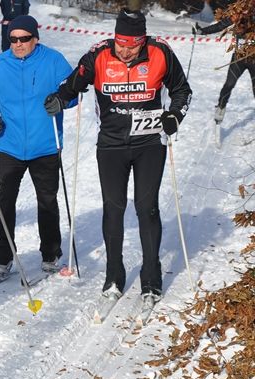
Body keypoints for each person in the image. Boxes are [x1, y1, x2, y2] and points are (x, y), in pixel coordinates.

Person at [44, 9, 193, 307]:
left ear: (143, 40)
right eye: (121, 45)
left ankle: (152, 277)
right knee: (113, 208)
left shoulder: (160, 52)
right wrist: (60, 98)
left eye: (132, 46)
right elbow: (73, 85)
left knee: (146, 207)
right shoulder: (98, 55)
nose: (125, 52)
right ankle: (114, 275)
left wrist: (175, 115)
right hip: (111, 145)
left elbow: (182, 90)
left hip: (150, 143)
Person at [0, 15, 75, 277]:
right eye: (13, 39)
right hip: (10, 144)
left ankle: (51, 253)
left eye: (24, 39)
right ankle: (3, 256)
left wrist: (62, 101)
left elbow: (72, 90)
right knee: (4, 201)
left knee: (47, 200)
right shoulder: (0, 64)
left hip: (45, 144)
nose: (18, 44)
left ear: (35, 38)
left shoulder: (53, 60)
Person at [193, 12, 254, 124]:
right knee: (229, 84)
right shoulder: (239, 13)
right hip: (238, 58)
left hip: (253, 59)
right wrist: (203, 31)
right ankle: (221, 107)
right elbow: (221, 25)